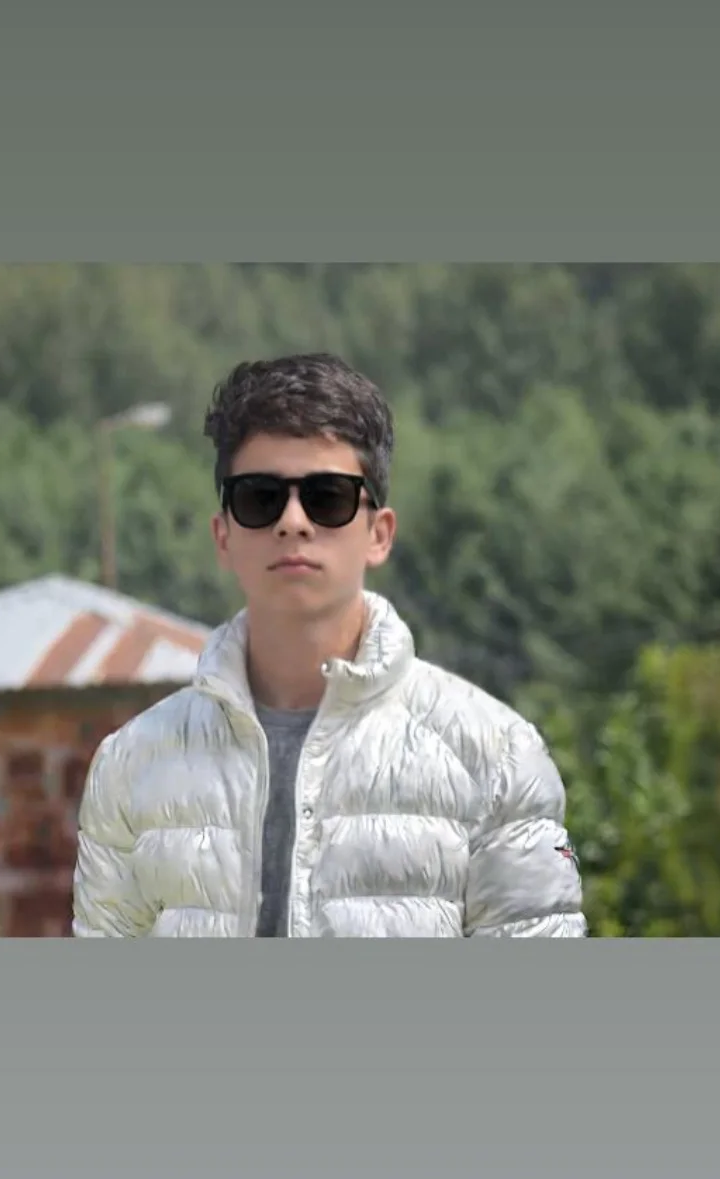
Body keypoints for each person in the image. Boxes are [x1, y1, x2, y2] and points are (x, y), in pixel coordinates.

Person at [73, 353, 587, 938]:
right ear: (223, 536)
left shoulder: (495, 757)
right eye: (260, 498)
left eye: (328, 497)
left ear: (379, 534)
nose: (293, 522)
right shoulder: (133, 764)